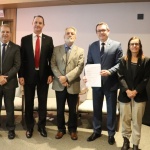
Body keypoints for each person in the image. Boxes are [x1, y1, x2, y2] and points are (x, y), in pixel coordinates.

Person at [83, 22, 123, 145]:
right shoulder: (93, 45)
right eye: (99, 31)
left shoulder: (117, 45)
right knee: (97, 108)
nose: (101, 32)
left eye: (103, 30)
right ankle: (97, 131)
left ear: (108, 31)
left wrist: (110, 71)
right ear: (96, 33)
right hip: (96, 84)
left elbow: (120, 63)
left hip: (110, 83)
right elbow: (89, 62)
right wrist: (86, 75)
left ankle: (111, 134)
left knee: (111, 110)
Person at [18, 15, 54, 138]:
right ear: (32, 23)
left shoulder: (49, 39)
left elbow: (51, 59)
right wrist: (21, 75)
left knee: (42, 102)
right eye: (36, 22)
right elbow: (22, 60)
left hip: (44, 76)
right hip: (28, 76)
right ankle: (29, 127)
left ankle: (42, 126)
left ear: (43, 25)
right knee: (29, 102)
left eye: (40, 23)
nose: (38, 25)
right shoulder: (25, 39)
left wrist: (50, 74)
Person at [51, 27, 84, 140]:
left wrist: (66, 78)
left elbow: (79, 68)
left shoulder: (80, 51)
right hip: (59, 84)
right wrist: (61, 78)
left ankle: (72, 130)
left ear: (75, 36)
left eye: (72, 33)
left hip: (72, 84)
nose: (69, 35)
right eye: (67, 33)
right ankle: (60, 129)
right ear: (64, 36)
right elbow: (53, 65)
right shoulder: (56, 49)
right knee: (59, 109)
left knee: (72, 110)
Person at [118, 37, 150, 150]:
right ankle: (126, 141)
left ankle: (135, 144)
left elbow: (146, 79)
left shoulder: (146, 60)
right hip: (124, 95)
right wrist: (127, 90)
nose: (134, 46)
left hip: (139, 95)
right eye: (132, 44)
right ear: (129, 46)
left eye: (136, 44)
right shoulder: (123, 60)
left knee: (137, 121)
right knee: (125, 119)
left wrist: (135, 91)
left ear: (140, 46)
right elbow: (120, 77)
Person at [0, 24, 21, 139]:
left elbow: (17, 65)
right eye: (3, 32)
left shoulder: (16, 48)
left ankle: (11, 129)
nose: (5, 34)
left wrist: (5, 77)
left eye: (7, 32)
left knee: (9, 108)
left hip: (10, 83)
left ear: (10, 33)